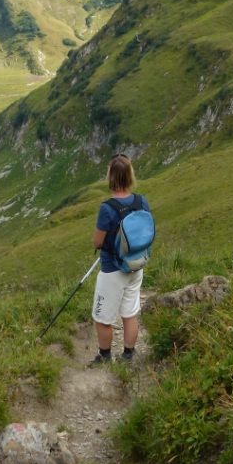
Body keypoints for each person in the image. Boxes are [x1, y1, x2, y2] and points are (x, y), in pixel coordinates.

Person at [89, 153, 151, 365]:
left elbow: (98, 242)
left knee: (102, 318)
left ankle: (105, 357)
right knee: (130, 313)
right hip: (136, 265)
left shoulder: (107, 208)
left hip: (112, 270)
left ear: (111, 177)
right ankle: (128, 355)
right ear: (130, 176)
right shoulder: (141, 201)